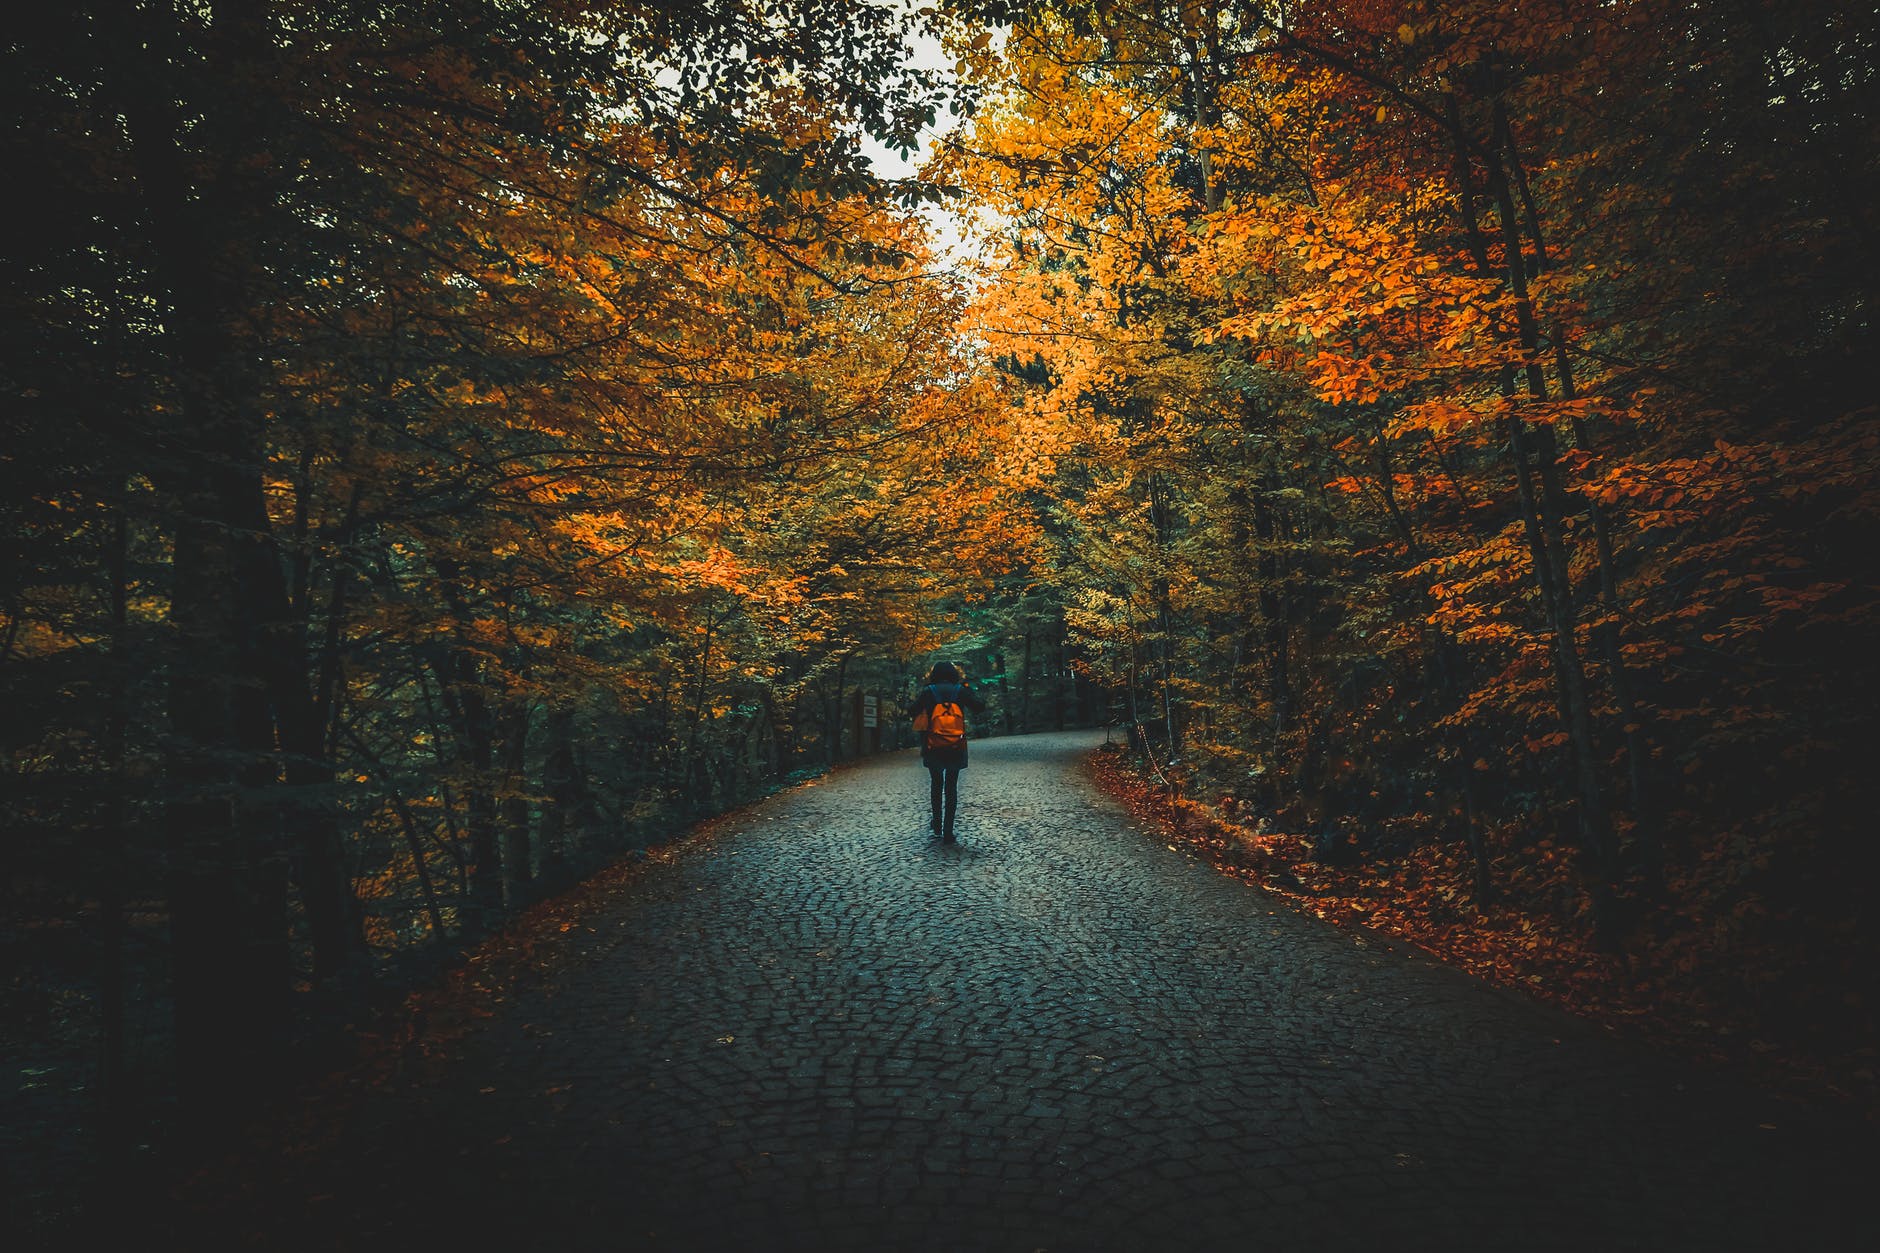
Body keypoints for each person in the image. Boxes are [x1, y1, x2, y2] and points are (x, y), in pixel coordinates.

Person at [907, 661, 985, 843]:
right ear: (953, 674)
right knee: (951, 786)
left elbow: (911, 711)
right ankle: (948, 831)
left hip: (932, 745)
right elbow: (979, 707)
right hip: (955, 745)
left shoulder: (929, 691)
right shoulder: (960, 690)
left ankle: (937, 826)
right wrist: (968, 690)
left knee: (936, 784)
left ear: (934, 674)